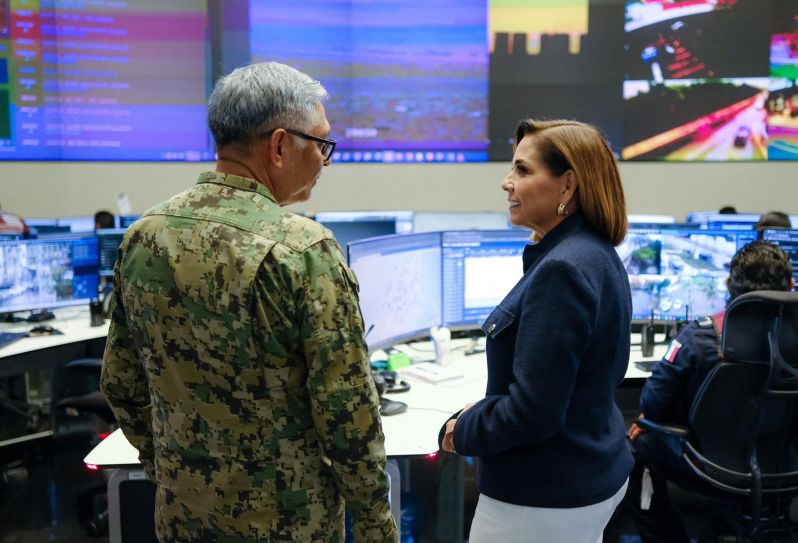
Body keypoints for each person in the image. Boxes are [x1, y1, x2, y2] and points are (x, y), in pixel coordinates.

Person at [100, 62, 397, 542]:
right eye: (321, 144)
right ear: (279, 146)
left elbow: (120, 383)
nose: (326, 160)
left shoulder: (143, 236)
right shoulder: (303, 249)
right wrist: (375, 528)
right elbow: (348, 418)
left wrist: (172, 472)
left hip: (181, 517)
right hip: (287, 524)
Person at [441, 119, 633, 543]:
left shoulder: (562, 270)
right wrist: (491, 407)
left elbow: (533, 414)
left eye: (523, 170)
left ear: (567, 186)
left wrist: (462, 430)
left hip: (539, 498)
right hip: (588, 474)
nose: (506, 182)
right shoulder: (594, 251)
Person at [625, 241, 795, 543]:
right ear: (791, 285)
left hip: (709, 468)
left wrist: (649, 418)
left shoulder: (700, 334)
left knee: (634, 448)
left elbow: (652, 404)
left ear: (728, 283)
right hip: (783, 467)